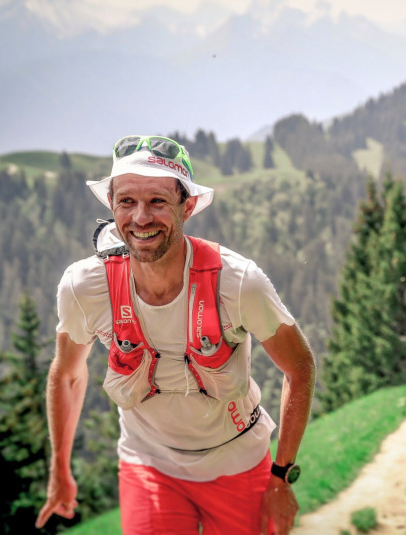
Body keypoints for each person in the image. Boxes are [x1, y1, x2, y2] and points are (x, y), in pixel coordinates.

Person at [35, 135, 316, 535]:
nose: (140, 218)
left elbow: (299, 368)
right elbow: (66, 375)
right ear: (111, 205)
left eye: (157, 201)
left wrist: (281, 475)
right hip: (148, 464)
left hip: (238, 461)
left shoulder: (238, 283)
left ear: (188, 206)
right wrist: (59, 471)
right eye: (126, 201)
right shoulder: (85, 287)